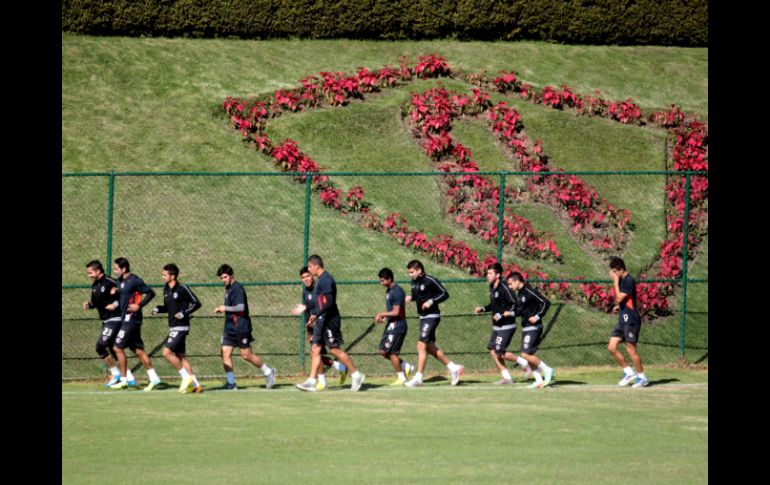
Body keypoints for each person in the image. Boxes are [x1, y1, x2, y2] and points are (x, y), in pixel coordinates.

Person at [296, 255, 365, 392]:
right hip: (321, 320)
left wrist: (316, 315)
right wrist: (312, 313)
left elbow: (329, 303)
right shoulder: (320, 281)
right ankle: (311, 381)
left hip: (330, 321)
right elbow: (318, 303)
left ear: (316, 266)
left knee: (334, 349)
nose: (309, 270)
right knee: (315, 349)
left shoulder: (326, 280)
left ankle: (356, 375)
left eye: (310, 267)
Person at [214, 264, 276, 390]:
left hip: (241, 327)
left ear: (232, 276)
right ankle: (231, 383)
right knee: (225, 353)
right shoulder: (228, 288)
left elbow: (241, 307)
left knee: (246, 355)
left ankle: (268, 372)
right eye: (221, 278)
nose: (223, 280)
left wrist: (224, 308)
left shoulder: (238, 288)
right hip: (229, 327)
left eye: (225, 277)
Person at [403, 260, 463, 387]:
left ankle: (418, 377)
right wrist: (411, 298)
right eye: (409, 272)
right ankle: (453, 368)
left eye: (412, 272)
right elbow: (417, 295)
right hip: (423, 318)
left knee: (420, 345)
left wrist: (431, 302)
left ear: (419, 270)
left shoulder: (430, 280)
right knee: (429, 347)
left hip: (432, 316)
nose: (410, 275)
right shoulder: (414, 283)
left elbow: (445, 294)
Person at [107, 257, 163, 391]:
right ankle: (154, 378)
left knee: (117, 347)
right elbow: (123, 296)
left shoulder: (135, 280)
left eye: (116, 269)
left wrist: (139, 305)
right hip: (125, 318)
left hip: (132, 318)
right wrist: (116, 293)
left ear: (124, 269)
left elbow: (150, 293)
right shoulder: (119, 281)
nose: (114, 272)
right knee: (138, 350)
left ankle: (124, 379)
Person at [473, 263, 533, 385]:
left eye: (490, 273)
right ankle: (507, 377)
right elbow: (494, 305)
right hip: (496, 326)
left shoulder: (505, 287)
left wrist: (502, 314)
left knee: (499, 351)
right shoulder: (492, 288)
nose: (487, 275)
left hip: (507, 325)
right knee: (492, 350)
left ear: (498, 275)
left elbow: (514, 304)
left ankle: (524, 363)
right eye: (487, 273)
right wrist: (483, 309)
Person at [291, 266, 348, 390]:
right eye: (303, 277)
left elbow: (323, 306)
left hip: (325, 323)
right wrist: (309, 330)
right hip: (314, 325)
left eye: (307, 276)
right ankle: (326, 378)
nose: (305, 279)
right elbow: (308, 311)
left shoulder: (320, 287)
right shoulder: (305, 291)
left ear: (312, 275)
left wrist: (309, 311)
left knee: (320, 351)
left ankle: (323, 380)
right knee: (316, 353)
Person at [83, 260, 137, 387]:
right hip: (106, 320)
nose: (89, 275)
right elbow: (95, 302)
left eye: (90, 273)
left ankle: (116, 374)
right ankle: (129, 377)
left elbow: (125, 294)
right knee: (115, 349)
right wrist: (89, 304)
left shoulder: (111, 282)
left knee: (100, 346)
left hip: (115, 319)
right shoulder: (95, 285)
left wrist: (115, 304)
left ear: (98, 271)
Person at [151, 263, 203, 393]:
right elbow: (168, 308)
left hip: (181, 327)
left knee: (166, 353)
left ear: (172, 276)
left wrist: (184, 313)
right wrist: (158, 308)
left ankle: (185, 377)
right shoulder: (166, 289)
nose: (162, 277)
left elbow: (197, 303)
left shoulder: (183, 289)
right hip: (173, 327)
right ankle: (197, 384)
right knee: (181, 357)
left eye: (164, 275)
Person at [505, 272, 554, 388]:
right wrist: (510, 313)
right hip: (526, 326)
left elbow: (546, 303)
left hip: (534, 327)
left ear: (517, 281)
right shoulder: (521, 294)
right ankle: (538, 380)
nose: (510, 287)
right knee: (528, 354)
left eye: (511, 284)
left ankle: (547, 369)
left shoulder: (529, 291)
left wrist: (537, 317)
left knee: (525, 354)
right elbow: (520, 311)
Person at [607, 257, 649, 387]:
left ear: (620, 270)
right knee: (612, 347)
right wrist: (619, 307)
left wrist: (615, 281)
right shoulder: (622, 280)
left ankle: (642, 377)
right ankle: (629, 372)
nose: (613, 274)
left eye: (614, 271)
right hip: (623, 320)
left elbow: (619, 297)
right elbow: (625, 300)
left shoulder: (628, 280)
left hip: (631, 320)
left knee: (631, 350)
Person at [374, 268, 414, 386]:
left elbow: (396, 312)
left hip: (398, 325)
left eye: (382, 280)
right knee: (383, 351)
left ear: (389, 279)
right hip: (391, 325)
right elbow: (392, 312)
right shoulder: (389, 291)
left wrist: (381, 314)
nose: (380, 283)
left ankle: (401, 377)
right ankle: (406, 366)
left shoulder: (397, 291)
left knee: (391, 353)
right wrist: (385, 318)